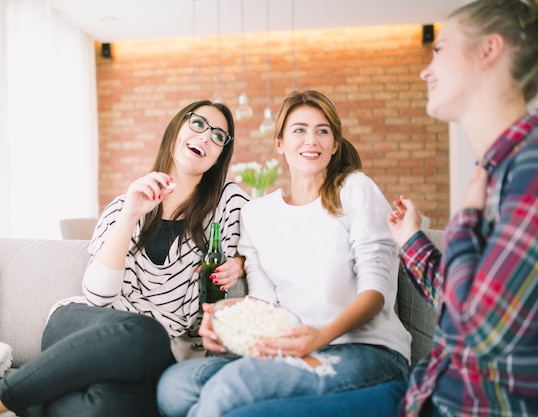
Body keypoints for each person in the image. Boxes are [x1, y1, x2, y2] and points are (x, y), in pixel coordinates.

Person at [224, 0, 538, 416]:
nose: (426, 70)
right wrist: (412, 241)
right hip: (437, 396)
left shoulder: (527, 169)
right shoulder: (497, 170)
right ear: (280, 144)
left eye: (439, 50)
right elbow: (459, 297)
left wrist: (462, 222)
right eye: (298, 130)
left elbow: (479, 326)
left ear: (489, 50)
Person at [0, 100, 249, 417]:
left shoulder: (228, 203)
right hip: (85, 326)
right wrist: (131, 212)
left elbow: (261, 246)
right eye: (198, 124)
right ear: (176, 130)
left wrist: (241, 263)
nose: (205, 136)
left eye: (218, 136)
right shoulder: (123, 205)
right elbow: (99, 295)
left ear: (220, 154)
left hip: (156, 351)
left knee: (112, 408)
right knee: (144, 332)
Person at [156, 90, 412, 417]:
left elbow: (376, 293)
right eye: (299, 130)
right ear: (280, 143)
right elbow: (263, 299)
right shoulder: (258, 214)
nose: (312, 140)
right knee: (175, 386)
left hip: (365, 351)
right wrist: (223, 320)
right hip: (286, 348)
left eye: (323, 131)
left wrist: (319, 337)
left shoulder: (355, 189)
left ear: (335, 144)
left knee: (226, 390)